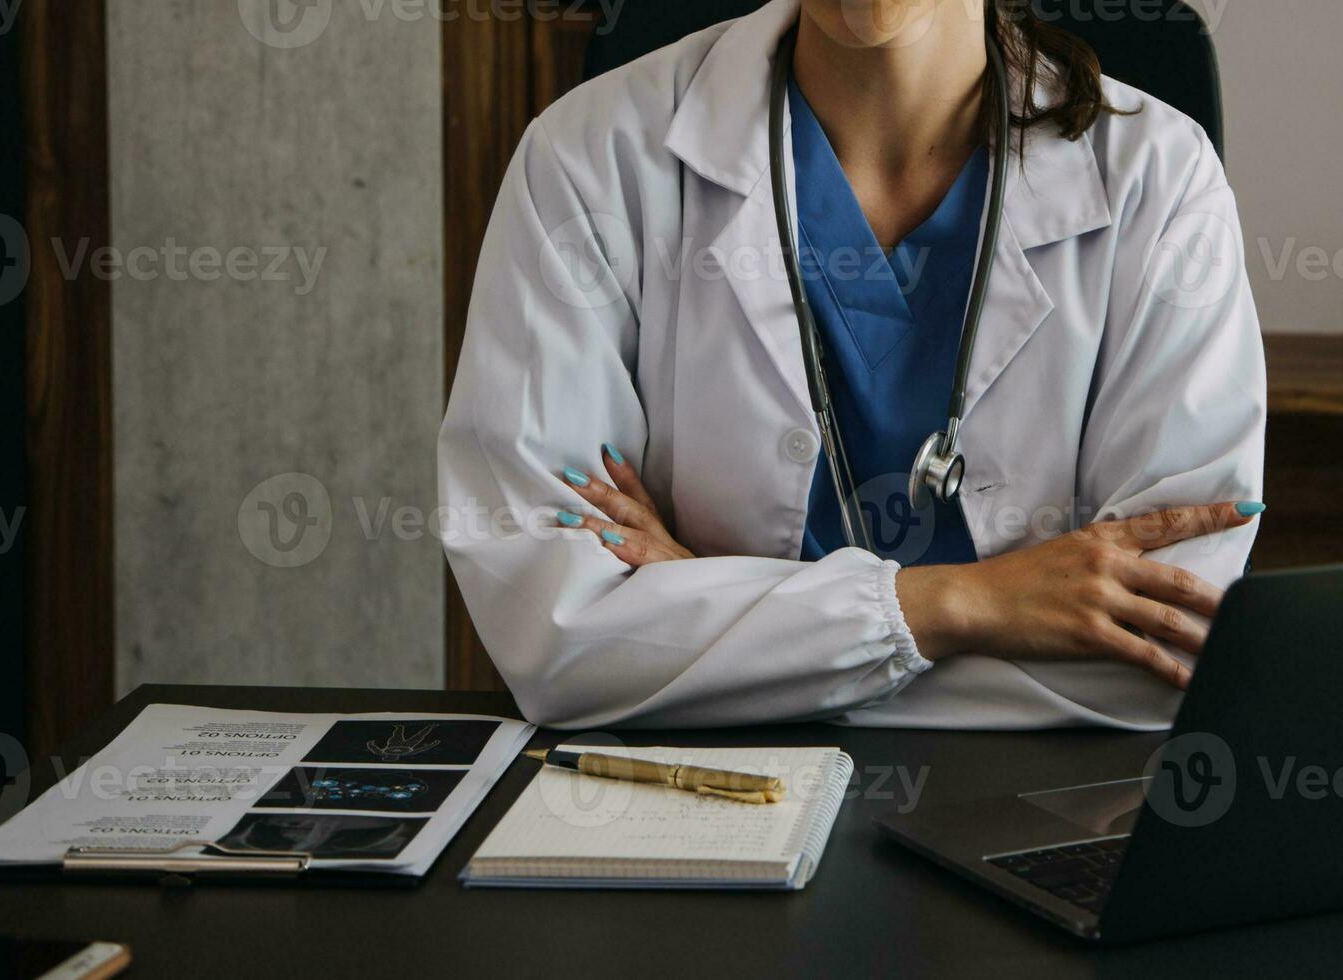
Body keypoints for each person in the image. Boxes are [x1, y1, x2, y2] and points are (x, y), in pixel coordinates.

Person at [438, 0, 1265, 731]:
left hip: (1037, 802)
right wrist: (971, 604)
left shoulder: (1161, 179)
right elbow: (553, 632)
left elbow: (1161, 651)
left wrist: (714, 628)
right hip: (696, 809)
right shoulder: (589, 158)